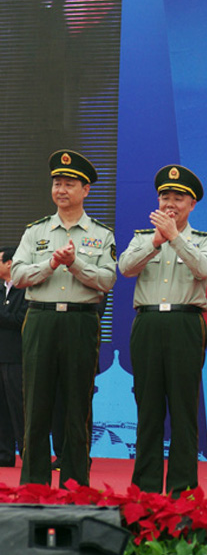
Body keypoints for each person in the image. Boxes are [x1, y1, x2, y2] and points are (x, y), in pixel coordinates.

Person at [11, 150, 116, 487]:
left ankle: (75, 482)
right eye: (57, 183)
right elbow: (18, 275)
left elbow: (107, 280)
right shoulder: (35, 231)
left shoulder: (101, 234)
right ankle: (34, 484)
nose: (61, 189)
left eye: (69, 184)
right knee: (36, 403)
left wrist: (75, 264)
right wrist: (51, 264)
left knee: (77, 404)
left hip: (80, 321)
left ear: (86, 190)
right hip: (40, 320)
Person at [119, 164, 207, 495]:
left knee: (183, 409)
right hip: (147, 323)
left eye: (178, 198)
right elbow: (125, 268)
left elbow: (204, 269)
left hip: (185, 323)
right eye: (165, 197)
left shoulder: (204, 240)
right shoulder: (142, 238)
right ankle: (145, 488)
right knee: (147, 407)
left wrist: (175, 238)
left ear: (192, 204)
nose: (170, 204)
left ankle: (182, 488)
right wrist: (156, 242)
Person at [0, 248, 27, 466]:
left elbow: (21, 319)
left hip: (17, 357)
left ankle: (29, 454)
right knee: (2, 409)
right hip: (1, 355)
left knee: (19, 407)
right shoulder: (1, 289)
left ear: (9, 263)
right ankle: (4, 454)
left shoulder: (26, 289)